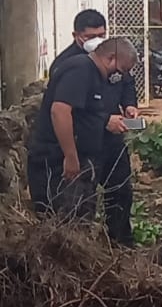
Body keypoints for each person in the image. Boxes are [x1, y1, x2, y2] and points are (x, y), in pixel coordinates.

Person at [49, 11, 139, 246]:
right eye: (91, 36)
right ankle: (79, 248)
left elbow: (127, 81)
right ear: (76, 36)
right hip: (85, 143)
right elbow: (65, 111)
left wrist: (130, 106)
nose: (97, 40)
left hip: (113, 140)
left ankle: (120, 243)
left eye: (102, 34)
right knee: (82, 199)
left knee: (120, 192)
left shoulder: (114, 55)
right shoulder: (69, 65)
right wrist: (102, 121)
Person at [28, 37, 139, 223]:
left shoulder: (95, 74)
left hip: (79, 157)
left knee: (80, 218)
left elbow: (83, 115)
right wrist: (71, 157)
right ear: (110, 58)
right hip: (56, 160)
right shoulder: (80, 70)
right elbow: (60, 111)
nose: (118, 76)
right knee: (60, 222)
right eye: (121, 70)